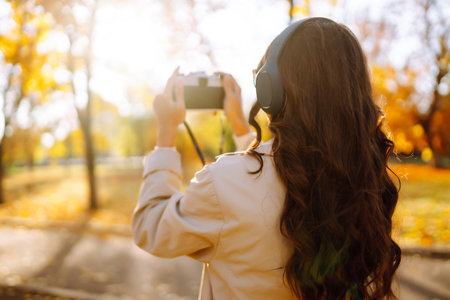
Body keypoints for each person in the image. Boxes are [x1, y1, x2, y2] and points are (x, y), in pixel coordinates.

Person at [132, 17, 401, 300]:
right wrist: (239, 126)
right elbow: (281, 179)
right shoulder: (365, 183)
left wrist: (165, 134)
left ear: (269, 90)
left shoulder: (224, 183)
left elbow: (151, 227)